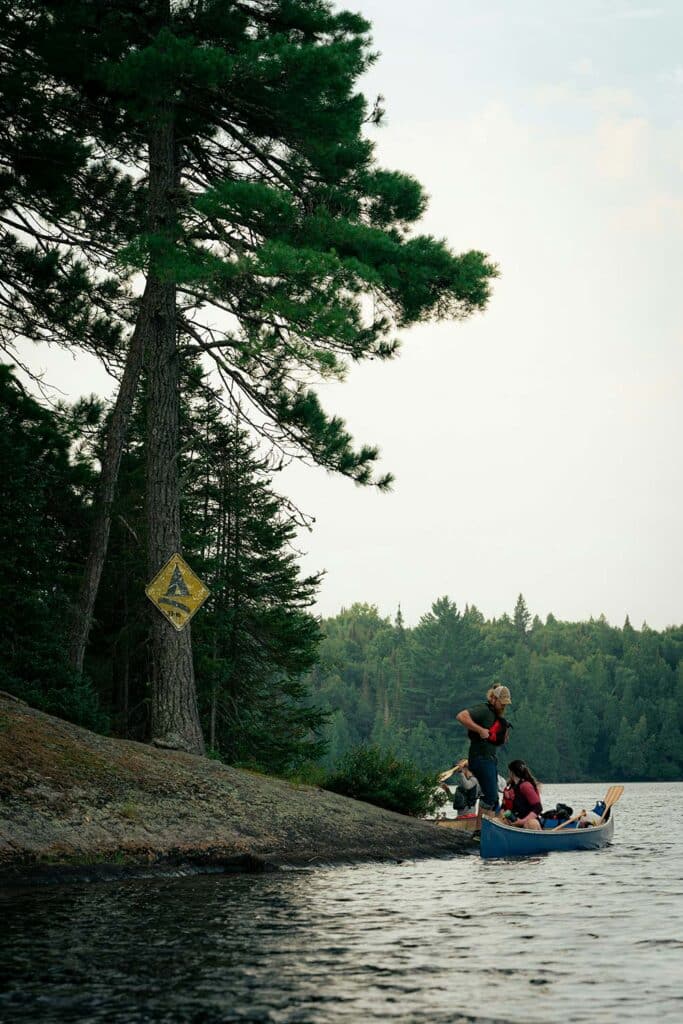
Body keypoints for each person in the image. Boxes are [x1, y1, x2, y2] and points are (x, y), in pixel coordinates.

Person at [455, 684, 512, 827]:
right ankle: (480, 831)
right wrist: (480, 730)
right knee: (491, 796)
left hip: (489, 759)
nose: (504, 706)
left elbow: (494, 738)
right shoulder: (484, 710)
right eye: (502, 703)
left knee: (494, 799)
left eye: (506, 703)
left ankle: (494, 829)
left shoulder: (496, 716)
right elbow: (461, 716)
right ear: (493, 698)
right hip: (481, 759)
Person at [504, 759, 543, 830]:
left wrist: (522, 821)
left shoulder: (525, 786)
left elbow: (538, 808)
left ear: (511, 773)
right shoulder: (510, 788)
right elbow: (504, 808)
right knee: (496, 820)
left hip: (528, 821)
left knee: (531, 824)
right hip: (515, 821)